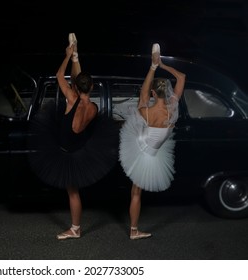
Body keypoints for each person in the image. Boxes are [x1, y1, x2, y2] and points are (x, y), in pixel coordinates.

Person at [28, 33, 119, 240]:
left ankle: (75, 229)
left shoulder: (72, 99)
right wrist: (76, 58)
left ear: (75, 88)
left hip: (67, 153)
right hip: (80, 150)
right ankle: (75, 228)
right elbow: (77, 84)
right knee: (74, 192)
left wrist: (67, 56)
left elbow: (60, 76)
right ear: (92, 87)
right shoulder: (94, 107)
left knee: (72, 193)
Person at [119, 43, 186, 240]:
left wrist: (153, 66)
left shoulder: (145, 110)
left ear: (153, 94)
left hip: (142, 150)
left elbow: (143, 91)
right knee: (136, 193)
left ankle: (133, 230)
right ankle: (134, 231)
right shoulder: (172, 108)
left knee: (135, 193)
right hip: (154, 152)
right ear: (168, 92)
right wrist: (164, 65)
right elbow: (181, 77)